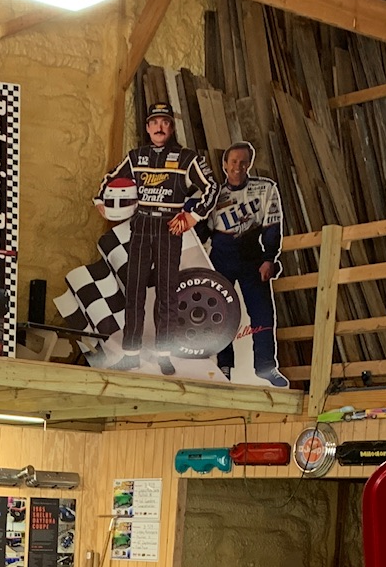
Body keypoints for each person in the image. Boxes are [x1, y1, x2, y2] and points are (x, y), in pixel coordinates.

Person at [92, 103, 216, 375]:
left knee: (166, 294)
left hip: (169, 228)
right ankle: (130, 354)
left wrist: (193, 216)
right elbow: (110, 179)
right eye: (154, 122)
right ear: (147, 127)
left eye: (165, 122)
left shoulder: (186, 158)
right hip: (141, 225)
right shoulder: (136, 156)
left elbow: (211, 188)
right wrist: (101, 201)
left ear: (171, 127)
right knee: (134, 292)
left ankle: (164, 354)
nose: (159, 127)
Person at [207, 142, 288, 386]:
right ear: (224, 164)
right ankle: (224, 366)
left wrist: (269, 259)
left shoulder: (265, 188)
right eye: (233, 162)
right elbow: (202, 230)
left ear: (249, 164)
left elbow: (273, 226)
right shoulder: (213, 195)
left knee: (262, 313)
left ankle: (266, 367)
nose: (238, 167)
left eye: (243, 162)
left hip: (253, 256)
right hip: (221, 255)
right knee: (220, 314)